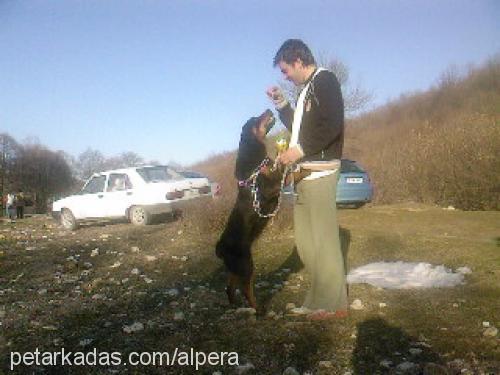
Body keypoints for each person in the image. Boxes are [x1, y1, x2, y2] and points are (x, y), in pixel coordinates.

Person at [266, 39, 347, 319]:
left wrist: (297, 150)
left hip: (321, 172)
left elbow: (332, 125)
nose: (285, 76)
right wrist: (282, 104)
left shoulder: (325, 81)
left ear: (298, 61)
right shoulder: (305, 92)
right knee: (306, 242)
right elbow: (300, 130)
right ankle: (318, 299)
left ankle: (333, 304)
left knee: (323, 240)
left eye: (286, 70)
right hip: (303, 175)